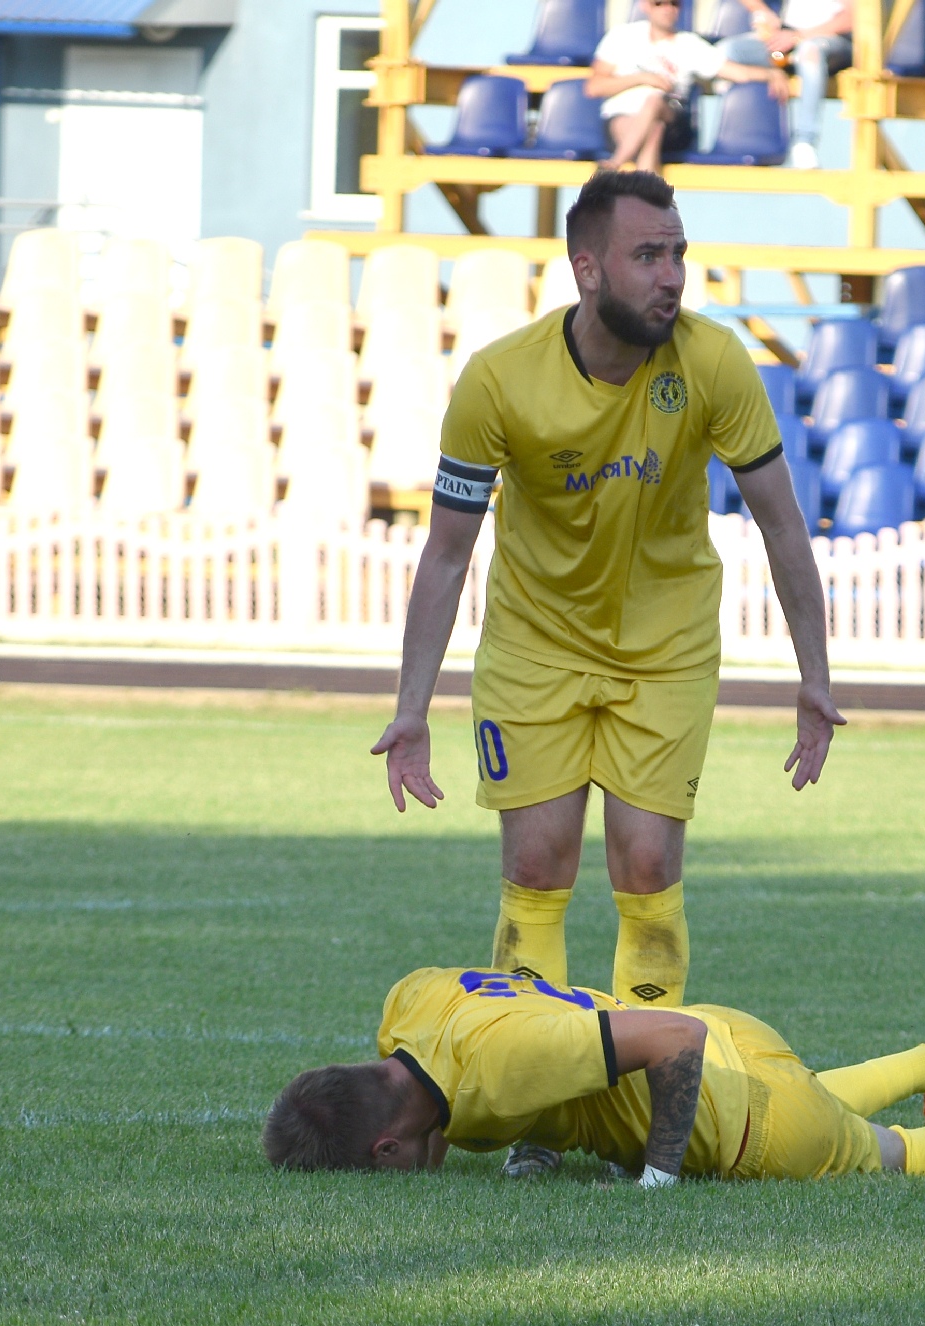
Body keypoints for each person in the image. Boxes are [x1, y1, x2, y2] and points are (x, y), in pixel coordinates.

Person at [370, 170, 844, 1172]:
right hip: (533, 648)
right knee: (537, 868)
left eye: (676, 252)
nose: (671, 274)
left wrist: (814, 676)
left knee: (645, 868)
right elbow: (446, 552)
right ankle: (543, 1111)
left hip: (665, 649)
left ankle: (645, 1099)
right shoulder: (498, 380)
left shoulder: (714, 361)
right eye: (647, 255)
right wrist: (410, 707)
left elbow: (781, 521)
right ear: (586, 268)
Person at [261, 965, 925, 1181]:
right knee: (822, 1096)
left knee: (896, 1158)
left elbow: (672, 1039)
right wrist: (542, 1139)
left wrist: (654, 1176)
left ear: (385, 1148)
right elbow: (525, 1021)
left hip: (737, 1111)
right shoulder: (409, 1007)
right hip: (741, 1041)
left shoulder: (502, 1068)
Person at [585, 0, 790, 173]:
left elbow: (736, 72)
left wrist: (771, 73)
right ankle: (651, 204)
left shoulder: (689, 44)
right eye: (659, 3)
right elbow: (595, 86)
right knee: (653, 129)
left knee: (654, 102)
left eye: (674, 3)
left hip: (673, 120)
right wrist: (642, 79)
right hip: (622, 120)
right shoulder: (622, 37)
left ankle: (614, 165)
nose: (668, 8)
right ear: (645, 5)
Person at [723, 0, 852, 170]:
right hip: (782, 47)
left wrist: (798, 36)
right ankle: (740, 136)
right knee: (730, 50)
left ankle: (805, 142)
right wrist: (764, 13)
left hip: (829, 43)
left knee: (809, 52)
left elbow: (852, 18)